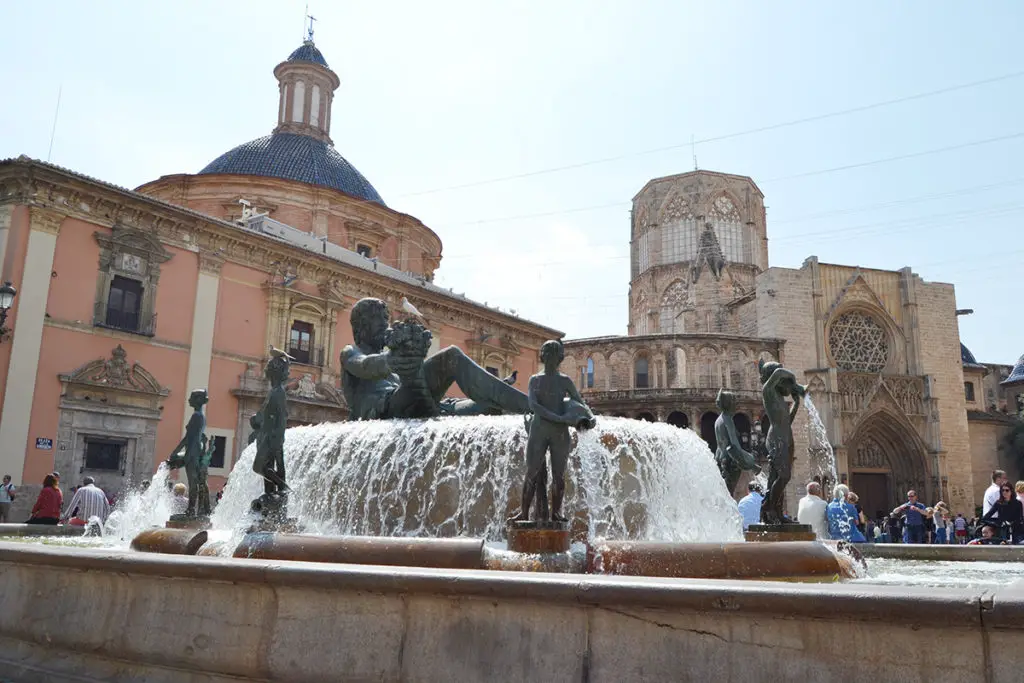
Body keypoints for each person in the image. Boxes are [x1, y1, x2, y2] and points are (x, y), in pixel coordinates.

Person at [341, 297, 530, 420]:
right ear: (362, 324)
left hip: (414, 403)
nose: (385, 323)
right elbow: (364, 365)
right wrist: (391, 361)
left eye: (386, 317)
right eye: (378, 318)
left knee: (490, 407)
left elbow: (415, 380)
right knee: (451, 356)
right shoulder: (351, 352)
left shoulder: (390, 355)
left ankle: (499, 395)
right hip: (386, 409)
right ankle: (531, 406)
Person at [508, 340, 594, 523]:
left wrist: (591, 417)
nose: (551, 358)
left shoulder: (564, 381)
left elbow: (579, 401)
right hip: (540, 430)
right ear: (543, 356)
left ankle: (556, 513)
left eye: (555, 354)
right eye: (548, 353)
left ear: (559, 358)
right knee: (531, 471)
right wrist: (559, 419)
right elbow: (534, 405)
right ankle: (524, 513)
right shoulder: (535, 380)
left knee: (559, 475)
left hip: (559, 434)